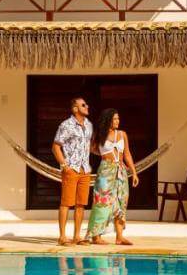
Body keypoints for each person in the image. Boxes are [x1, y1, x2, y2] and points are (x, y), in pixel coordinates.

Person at [86, 108, 139, 245]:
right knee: (102, 202)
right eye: (115, 119)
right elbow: (91, 149)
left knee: (121, 202)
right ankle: (95, 235)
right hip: (105, 171)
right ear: (108, 120)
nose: (117, 121)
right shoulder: (99, 135)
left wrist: (133, 172)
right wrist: (104, 155)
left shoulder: (122, 134)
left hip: (121, 171)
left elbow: (127, 154)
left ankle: (119, 236)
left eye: (118, 118)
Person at [52, 96, 94, 245]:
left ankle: (77, 236)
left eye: (86, 104)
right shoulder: (66, 125)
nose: (87, 106)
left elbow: (90, 146)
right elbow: (56, 146)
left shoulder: (89, 125)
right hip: (72, 168)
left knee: (81, 204)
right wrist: (65, 166)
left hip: (85, 169)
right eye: (83, 105)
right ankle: (62, 237)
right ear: (75, 108)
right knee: (66, 203)